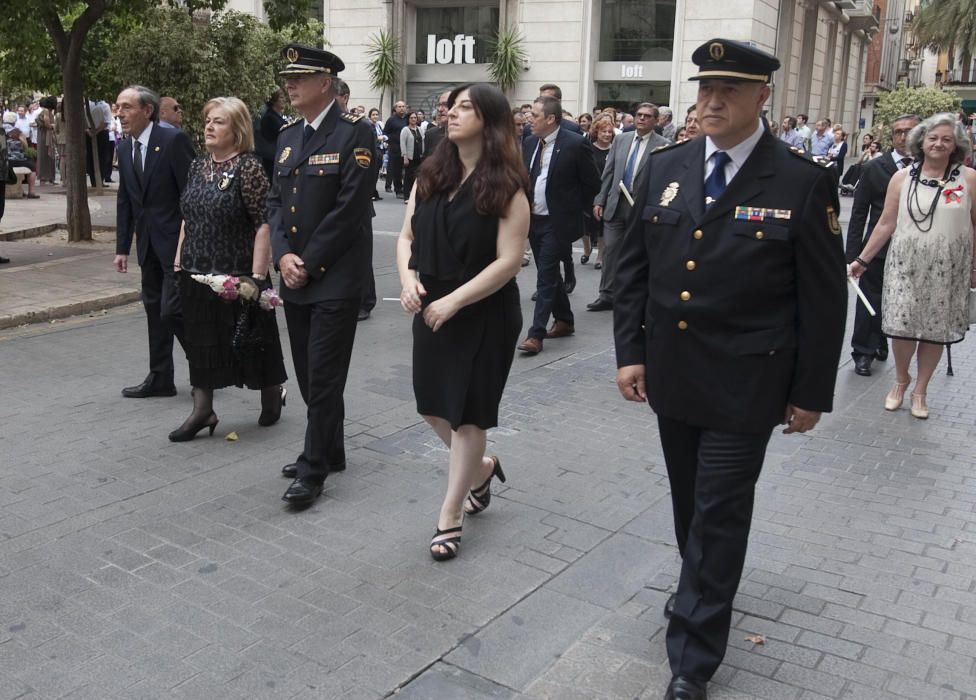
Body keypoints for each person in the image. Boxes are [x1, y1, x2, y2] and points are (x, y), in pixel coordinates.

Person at [614, 39, 847, 700]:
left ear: (762, 97)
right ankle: (703, 589)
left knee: (718, 510)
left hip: (750, 382)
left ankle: (692, 656)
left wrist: (810, 393)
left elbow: (823, 300)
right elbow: (633, 270)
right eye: (706, 88)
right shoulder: (669, 165)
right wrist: (630, 352)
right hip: (673, 375)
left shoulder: (800, 180)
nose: (712, 101)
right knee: (691, 505)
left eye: (731, 90)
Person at [395, 83, 529, 561]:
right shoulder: (430, 174)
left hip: (483, 312)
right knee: (432, 405)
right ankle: (481, 469)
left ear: (489, 121)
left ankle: (450, 512)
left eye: (464, 108)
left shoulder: (507, 186)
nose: (451, 114)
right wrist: (408, 279)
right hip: (430, 307)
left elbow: (508, 262)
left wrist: (454, 301)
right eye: (450, 107)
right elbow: (407, 236)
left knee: (468, 412)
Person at [267, 44, 376, 506]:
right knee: (310, 378)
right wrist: (282, 257)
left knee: (326, 377)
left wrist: (306, 262)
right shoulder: (289, 135)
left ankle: (314, 470)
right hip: (295, 275)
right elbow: (275, 204)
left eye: (299, 78)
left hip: (334, 277)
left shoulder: (356, 133)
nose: (288, 86)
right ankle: (331, 449)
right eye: (286, 79)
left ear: (325, 83)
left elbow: (349, 210)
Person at [170, 97, 288, 441]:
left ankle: (271, 392)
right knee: (201, 342)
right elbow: (188, 215)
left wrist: (256, 275)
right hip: (196, 269)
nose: (209, 126)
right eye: (207, 120)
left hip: (237, 273)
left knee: (253, 340)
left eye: (218, 122)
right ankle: (202, 410)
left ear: (236, 130)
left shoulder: (249, 168)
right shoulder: (197, 166)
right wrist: (179, 259)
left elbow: (263, 223)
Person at [849, 113, 976, 420]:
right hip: (905, 265)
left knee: (934, 332)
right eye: (933, 138)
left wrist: (974, 268)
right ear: (921, 141)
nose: (939, 144)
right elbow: (885, 223)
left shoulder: (969, 179)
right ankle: (901, 380)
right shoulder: (901, 178)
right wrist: (861, 259)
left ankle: (920, 391)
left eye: (946, 139)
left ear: (956, 144)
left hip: (948, 268)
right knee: (903, 328)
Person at [114, 85, 196, 399]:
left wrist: (192, 241)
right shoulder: (124, 147)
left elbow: (191, 195)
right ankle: (161, 377)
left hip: (177, 245)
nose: (119, 114)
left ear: (147, 111)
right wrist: (122, 247)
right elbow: (126, 201)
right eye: (117, 107)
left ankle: (208, 366)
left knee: (172, 310)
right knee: (154, 310)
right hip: (147, 244)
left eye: (126, 107)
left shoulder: (173, 141)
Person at [516, 94, 600, 356]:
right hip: (534, 219)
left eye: (535, 117)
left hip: (558, 222)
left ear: (550, 119)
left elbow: (592, 184)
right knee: (549, 272)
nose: (530, 121)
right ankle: (564, 320)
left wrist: (574, 211)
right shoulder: (530, 142)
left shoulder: (575, 144)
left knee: (545, 276)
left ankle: (536, 334)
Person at [845, 115, 920, 377]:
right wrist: (852, 254)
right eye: (898, 132)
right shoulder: (876, 168)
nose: (902, 137)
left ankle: (881, 340)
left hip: (914, 251)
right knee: (870, 300)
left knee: (898, 302)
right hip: (876, 250)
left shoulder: (929, 168)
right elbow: (858, 213)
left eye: (908, 132)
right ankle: (863, 351)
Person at [588, 103, 669, 312]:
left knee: (636, 254)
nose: (641, 119)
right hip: (616, 204)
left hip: (641, 208)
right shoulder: (621, 139)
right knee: (611, 250)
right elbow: (609, 171)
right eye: (639, 115)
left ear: (655, 121)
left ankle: (631, 295)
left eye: (647, 116)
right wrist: (599, 199)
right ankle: (606, 295)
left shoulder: (663, 145)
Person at [583, 117, 615, 267]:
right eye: (604, 131)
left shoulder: (615, 149)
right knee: (585, 225)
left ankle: (600, 257)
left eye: (610, 132)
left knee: (602, 225)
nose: (607, 134)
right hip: (588, 192)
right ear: (597, 132)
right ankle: (587, 249)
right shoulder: (588, 148)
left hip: (606, 192)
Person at [258, 89, 287, 178]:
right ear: (274, 100)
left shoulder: (276, 117)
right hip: (271, 158)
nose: (284, 100)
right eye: (281, 97)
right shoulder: (270, 118)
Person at [5, 126, 39, 198]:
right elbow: (26, 149)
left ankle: (21, 190)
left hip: (8, 161)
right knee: (32, 167)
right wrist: (22, 140)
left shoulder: (4, 134)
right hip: (20, 160)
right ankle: (31, 192)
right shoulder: (20, 134)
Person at [383, 101, 409, 197]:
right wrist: (390, 142)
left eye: (403, 106)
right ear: (396, 108)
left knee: (408, 170)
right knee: (397, 171)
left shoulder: (408, 119)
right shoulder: (391, 120)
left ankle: (407, 189)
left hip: (407, 148)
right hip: (395, 149)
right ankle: (398, 190)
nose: (402, 108)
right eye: (399, 107)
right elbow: (385, 133)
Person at [400, 111, 424, 204]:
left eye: (415, 118)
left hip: (419, 156)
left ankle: (416, 196)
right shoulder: (405, 130)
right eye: (412, 118)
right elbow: (402, 144)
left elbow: (423, 141)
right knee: (408, 177)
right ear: (408, 119)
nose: (414, 119)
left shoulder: (419, 129)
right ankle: (406, 196)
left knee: (418, 176)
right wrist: (404, 156)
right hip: (410, 157)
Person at [35, 97, 57, 184]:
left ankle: (49, 178)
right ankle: (44, 178)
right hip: (45, 136)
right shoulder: (46, 111)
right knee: (45, 156)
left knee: (48, 156)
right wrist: (53, 126)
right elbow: (46, 122)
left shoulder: (46, 111)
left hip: (44, 135)